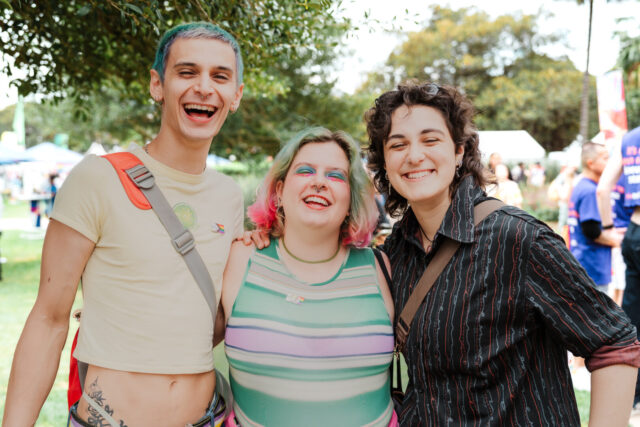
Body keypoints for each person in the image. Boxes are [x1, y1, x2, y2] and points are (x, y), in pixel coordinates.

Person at [4, 22, 245, 427]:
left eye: (220, 76)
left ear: (235, 95)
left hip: (207, 418)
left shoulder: (230, 196)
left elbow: (209, 317)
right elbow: (48, 319)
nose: (204, 87)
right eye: (187, 72)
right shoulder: (97, 178)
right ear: (157, 85)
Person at [364, 81, 640, 425]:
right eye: (397, 144)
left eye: (431, 139)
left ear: (460, 151)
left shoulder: (518, 238)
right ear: (384, 162)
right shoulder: (396, 253)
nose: (414, 155)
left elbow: (614, 342)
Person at [222, 127, 397, 426]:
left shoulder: (381, 267)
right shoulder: (240, 257)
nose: (319, 182)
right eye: (305, 171)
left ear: (351, 198)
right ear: (279, 191)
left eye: (335, 175)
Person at [596, 125, 640, 411]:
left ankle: (633, 395)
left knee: (634, 315)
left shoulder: (629, 138)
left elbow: (603, 189)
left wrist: (609, 227)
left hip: (634, 233)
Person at [568, 142, 622, 294]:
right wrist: (617, 240)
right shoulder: (590, 191)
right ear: (590, 163)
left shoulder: (580, 186)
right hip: (593, 266)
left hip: (582, 261)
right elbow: (591, 230)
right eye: (605, 158)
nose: (609, 162)